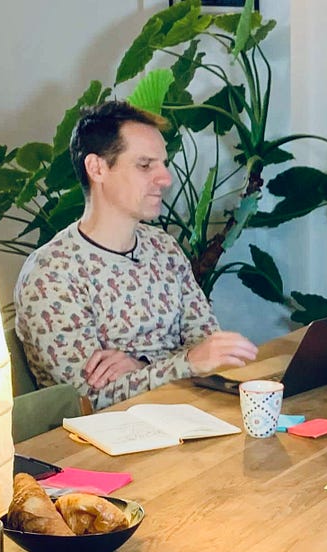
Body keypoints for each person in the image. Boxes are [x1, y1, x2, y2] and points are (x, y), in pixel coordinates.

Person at [14, 101, 259, 409]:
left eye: (163, 163)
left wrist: (142, 365)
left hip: (185, 416)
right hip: (101, 444)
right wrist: (183, 363)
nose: (165, 178)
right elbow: (89, 396)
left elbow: (207, 348)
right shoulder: (52, 272)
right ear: (97, 168)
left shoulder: (163, 248)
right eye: (145, 165)